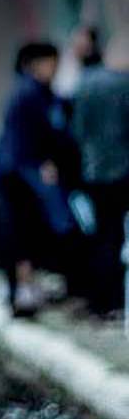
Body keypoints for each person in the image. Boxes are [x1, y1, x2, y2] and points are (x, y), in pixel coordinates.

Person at [0, 42, 80, 316]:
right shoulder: (32, 94)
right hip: (22, 175)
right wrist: (43, 163)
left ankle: (22, 291)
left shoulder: (29, 91)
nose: (54, 70)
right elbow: (37, 136)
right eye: (51, 64)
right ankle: (23, 291)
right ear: (36, 64)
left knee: (20, 235)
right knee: (25, 234)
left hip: (14, 174)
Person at [71, 36, 129, 318]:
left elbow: (77, 131)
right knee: (115, 237)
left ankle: (103, 301)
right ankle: (116, 299)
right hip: (122, 170)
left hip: (95, 172)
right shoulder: (122, 83)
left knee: (101, 236)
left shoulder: (83, 85)